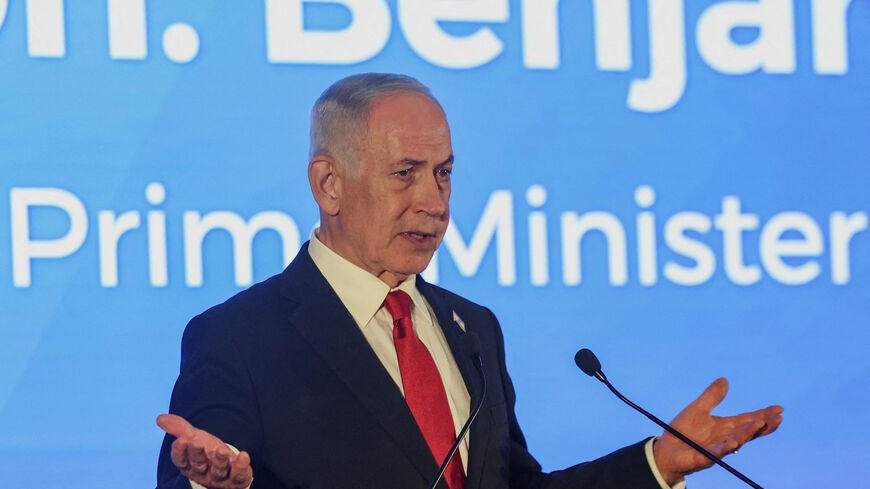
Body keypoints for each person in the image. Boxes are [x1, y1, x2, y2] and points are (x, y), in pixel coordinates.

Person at [156, 73, 783, 489]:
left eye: (444, 173)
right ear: (329, 184)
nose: (434, 202)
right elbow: (197, 472)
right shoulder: (238, 337)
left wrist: (657, 464)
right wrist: (214, 487)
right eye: (405, 172)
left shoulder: (472, 328)